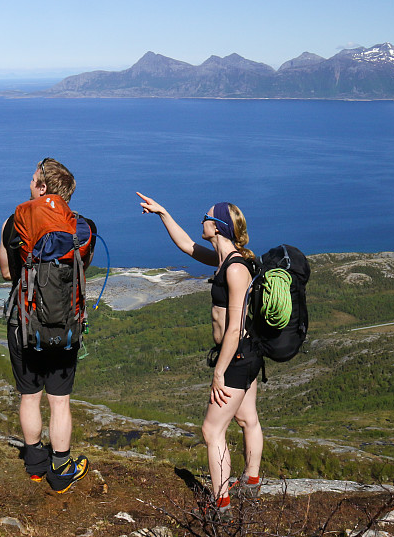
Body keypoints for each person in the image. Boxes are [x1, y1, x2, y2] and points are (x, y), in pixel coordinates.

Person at [137, 192, 264, 516]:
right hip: (248, 352)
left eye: (206, 217)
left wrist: (219, 371)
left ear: (218, 226)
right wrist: (163, 213)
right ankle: (251, 483)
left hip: (235, 355)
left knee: (212, 430)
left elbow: (234, 329)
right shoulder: (227, 259)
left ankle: (221, 505)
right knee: (247, 418)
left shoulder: (235, 269)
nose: (202, 221)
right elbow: (187, 247)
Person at [0, 158, 94, 493]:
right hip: (65, 325)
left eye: (34, 177)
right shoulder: (83, 227)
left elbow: (7, 273)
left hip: (23, 323)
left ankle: (36, 467)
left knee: (29, 396)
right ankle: (62, 467)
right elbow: (81, 271)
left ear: (42, 187)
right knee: (59, 401)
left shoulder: (14, 222)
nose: (30, 181)